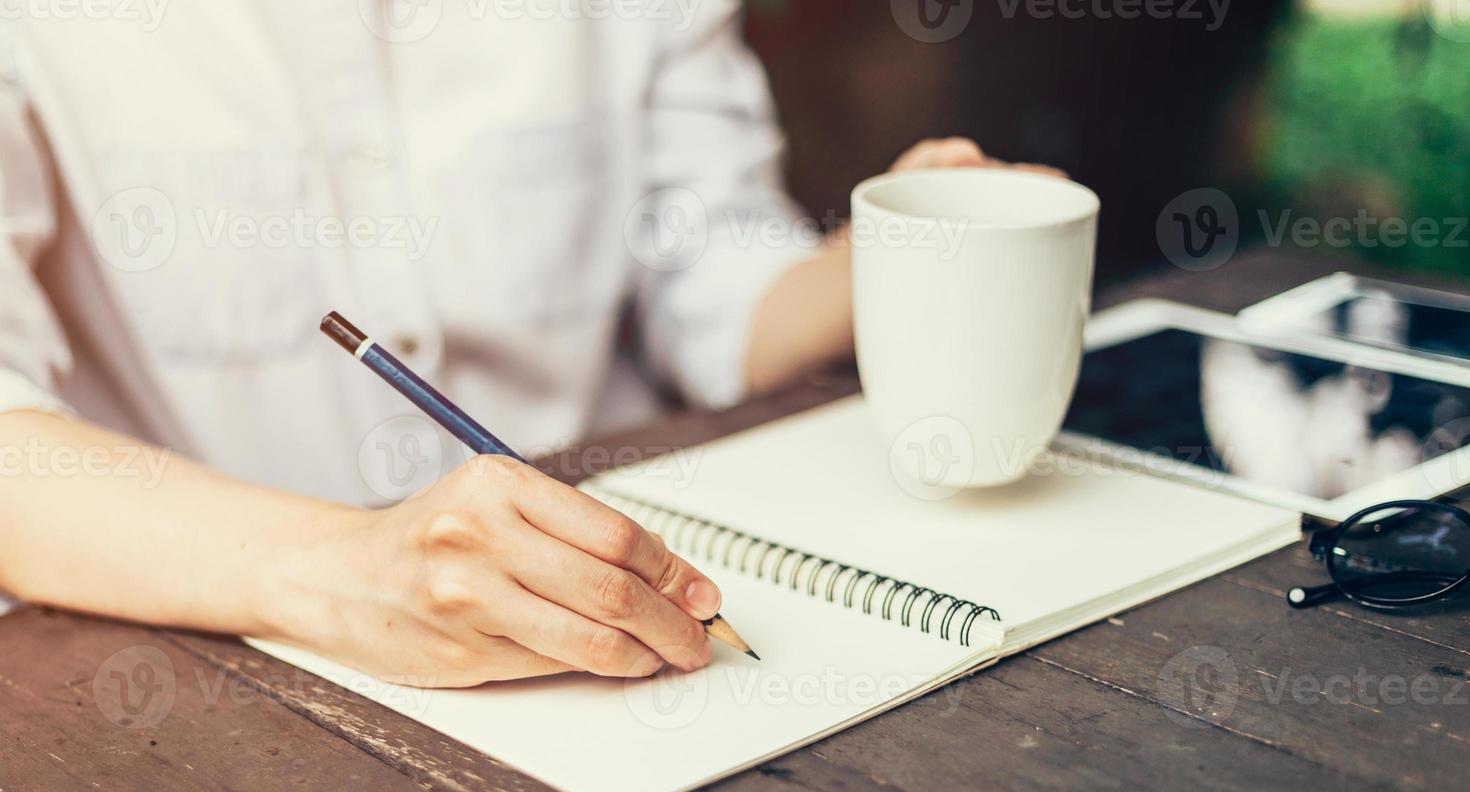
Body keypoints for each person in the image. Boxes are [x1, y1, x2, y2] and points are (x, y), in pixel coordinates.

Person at [0, 1, 1053, 687]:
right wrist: (352, 566)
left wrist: (888, 256)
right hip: (221, 659)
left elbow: (717, 285)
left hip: (625, 598)